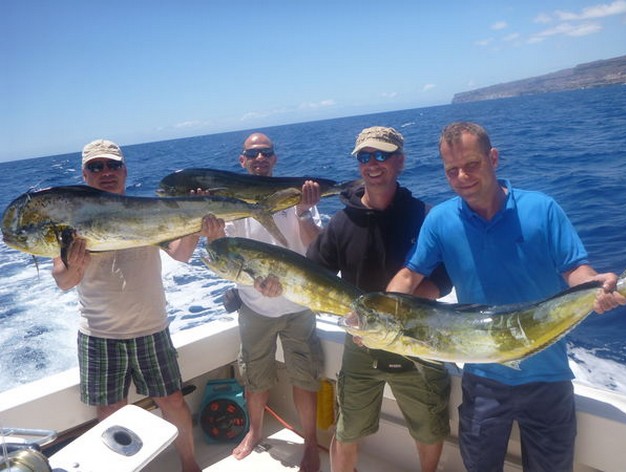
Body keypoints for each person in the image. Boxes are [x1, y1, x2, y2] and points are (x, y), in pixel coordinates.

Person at [387, 122, 626, 472]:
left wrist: (598, 287)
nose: (462, 177)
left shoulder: (542, 209)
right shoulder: (440, 220)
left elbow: (577, 271)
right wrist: (381, 315)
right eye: (452, 170)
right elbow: (409, 276)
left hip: (548, 377)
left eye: (472, 165)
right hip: (484, 380)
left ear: (493, 158)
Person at [52, 139, 215, 472]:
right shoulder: (70, 218)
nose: (106, 172)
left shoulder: (148, 211)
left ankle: (189, 463)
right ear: (84, 175)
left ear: (124, 170)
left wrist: (199, 224)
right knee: (110, 411)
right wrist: (75, 266)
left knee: (172, 401)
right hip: (99, 335)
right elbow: (63, 280)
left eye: (112, 165)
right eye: (96, 167)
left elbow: (181, 254)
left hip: (150, 327)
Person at [306, 126, 452, 472]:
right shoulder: (341, 223)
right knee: (347, 429)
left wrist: (406, 307)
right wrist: (276, 284)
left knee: (429, 430)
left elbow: (446, 275)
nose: (373, 163)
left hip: (418, 338)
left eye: (382, 155)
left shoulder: (426, 216)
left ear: (399, 161)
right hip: (361, 343)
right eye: (365, 157)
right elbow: (314, 274)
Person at [203, 132, 324, 472]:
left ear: (274, 159)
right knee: (256, 377)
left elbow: (319, 249)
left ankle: (311, 443)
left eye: (265, 153)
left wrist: (303, 212)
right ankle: (254, 432)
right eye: (252, 154)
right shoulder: (230, 203)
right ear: (242, 161)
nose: (259, 158)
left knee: (305, 378)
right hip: (255, 308)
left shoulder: (295, 196)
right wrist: (215, 237)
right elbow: (223, 259)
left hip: (298, 305)